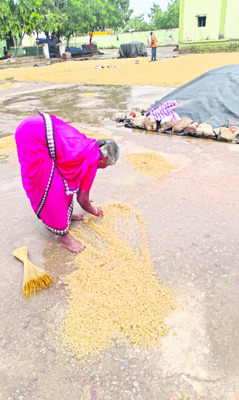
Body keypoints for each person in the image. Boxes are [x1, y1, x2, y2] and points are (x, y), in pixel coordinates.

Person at [15, 113, 119, 253]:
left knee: (65, 183)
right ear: (104, 158)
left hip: (38, 126)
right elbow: (82, 199)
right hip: (31, 136)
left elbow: (73, 180)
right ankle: (65, 237)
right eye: (108, 164)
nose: (105, 167)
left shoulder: (89, 146)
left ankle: (65, 216)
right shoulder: (92, 160)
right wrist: (95, 210)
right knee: (54, 187)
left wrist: (83, 197)